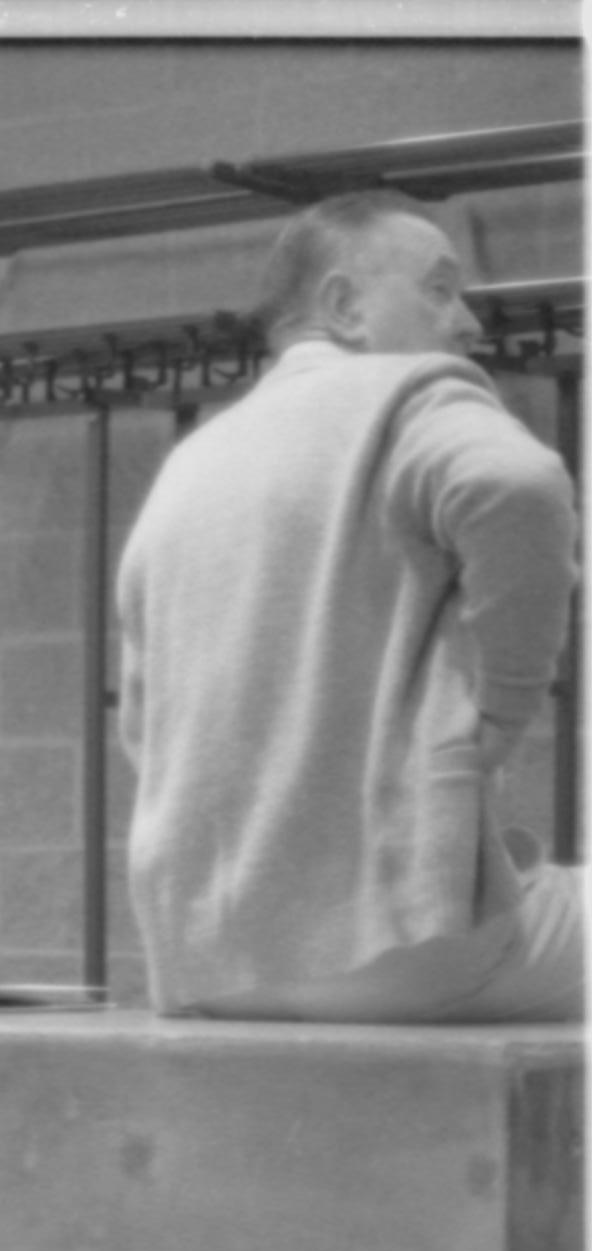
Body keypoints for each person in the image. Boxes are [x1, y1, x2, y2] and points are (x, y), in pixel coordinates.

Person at [119, 188, 581, 1021]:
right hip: (404, 943)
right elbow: (521, 484)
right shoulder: (414, 394)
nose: (470, 323)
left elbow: (142, 728)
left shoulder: (188, 466)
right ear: (344, 306)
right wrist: (504, 713)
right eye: (440, 288)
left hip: (208, 970)